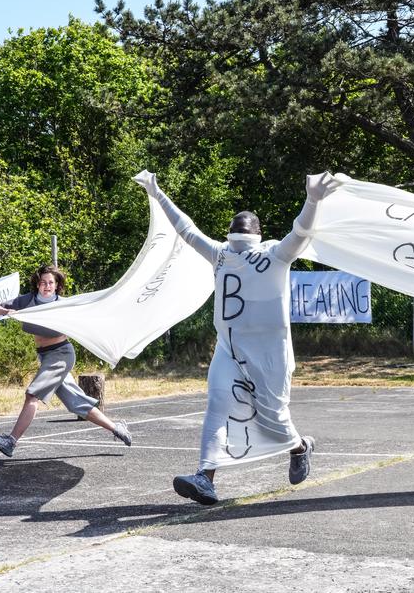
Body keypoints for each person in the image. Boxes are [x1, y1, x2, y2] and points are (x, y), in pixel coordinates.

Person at [133, 169, 339, 505]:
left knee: (273, 418)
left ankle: (301, 447)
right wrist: (157, 193)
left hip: (270, 354)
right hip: (229, 349)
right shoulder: (220, 254)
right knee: (217, 403)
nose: (241, 222)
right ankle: (205, 478)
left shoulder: (275, 255)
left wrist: (312, 199)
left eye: (249, 222)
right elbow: (186, 229)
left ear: (259, 233)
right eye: (236, 222)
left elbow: (301, 232)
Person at [0, 264, 133, 457]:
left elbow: (90, 315)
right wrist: (5, 312)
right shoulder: (27, 301)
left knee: (32, 395)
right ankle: (117, 428)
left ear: (57, 285)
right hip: (45, 356)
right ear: (37, 284)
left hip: (61, 354)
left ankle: (11, 441)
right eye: (43, 282)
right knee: (76, 404)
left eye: (51, 283)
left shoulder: (63, 304)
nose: (47, 286)